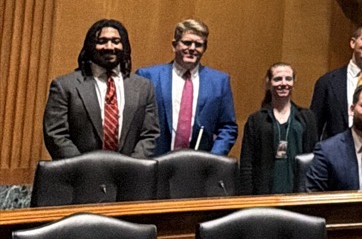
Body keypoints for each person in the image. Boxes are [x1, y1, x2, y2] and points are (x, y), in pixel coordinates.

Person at [42, 18, 159, 159]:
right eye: (102, 41)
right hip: (80, 173)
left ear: (125, 46)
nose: (110, 47)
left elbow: (149, 134)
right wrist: (83, 168)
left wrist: (132, 167)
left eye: (116, 41)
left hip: (129, 174)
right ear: (91, 45)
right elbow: (56, 134)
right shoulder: (65, 86)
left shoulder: (143, 87)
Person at [138, 18, 238, 155]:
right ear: (174, 45)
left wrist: (213, 158)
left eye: (198, 44)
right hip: (155, 162)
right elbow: (136, 123)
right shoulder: (149, 76)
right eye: (186, 43)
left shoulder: (219, 81)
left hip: (200, 167)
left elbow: (227, 127)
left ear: (205, 48)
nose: (192, 48)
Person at [237, 64, 318, 194]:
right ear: (269, 83)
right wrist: (247, 199)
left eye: (288, 79)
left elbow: (313, 159)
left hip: (298, 193)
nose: (284, 83)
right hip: (264, 194)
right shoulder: (256, 120)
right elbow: (247, 165)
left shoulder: (307, 117)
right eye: (278, 79)